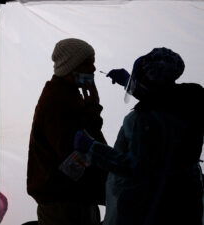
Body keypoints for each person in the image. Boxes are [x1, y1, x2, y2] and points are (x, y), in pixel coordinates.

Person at [74, 47, 204, 225]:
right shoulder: (191, 102)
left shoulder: (145, 120)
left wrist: (93, 148)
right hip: (187, 202)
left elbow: (133, 168)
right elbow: (163, 97)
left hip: (153, 208)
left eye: (139, 79)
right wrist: (131, 83)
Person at [27, 38, 108, 225]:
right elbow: (73, 152)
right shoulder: (58, 101)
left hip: (72, 196)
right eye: (88, 63)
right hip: (63, 201)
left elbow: (84, 139)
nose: (94, 69)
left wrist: (91, 108)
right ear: (71, 66)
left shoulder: (69, 94)